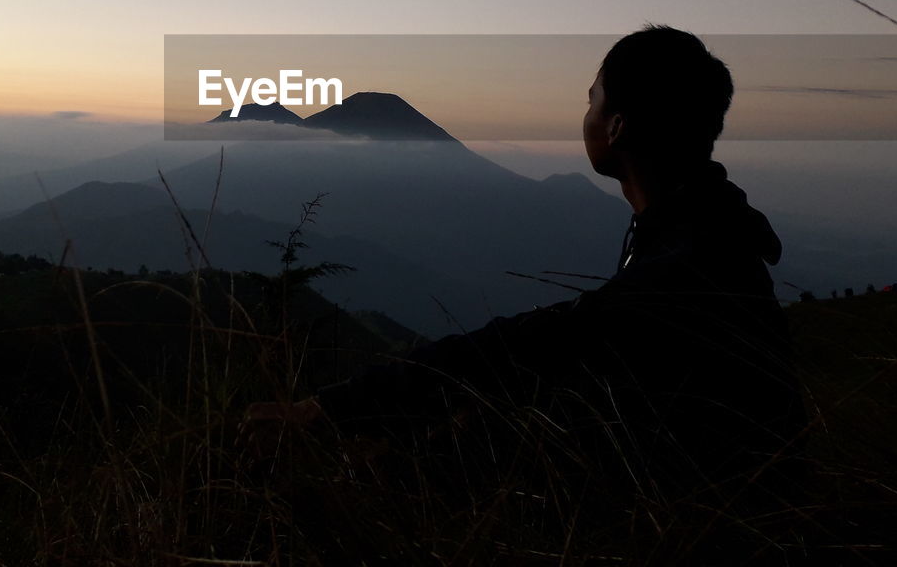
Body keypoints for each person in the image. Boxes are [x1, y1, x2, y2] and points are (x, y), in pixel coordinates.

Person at [256, 26, 806, 516]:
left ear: (615, 126)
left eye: (591, 100)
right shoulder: (709, 233)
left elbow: (525, 348)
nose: (585, 114)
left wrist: (330, 410)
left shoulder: (684, 265)